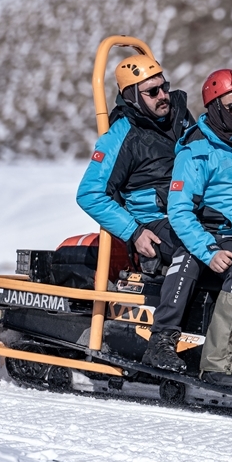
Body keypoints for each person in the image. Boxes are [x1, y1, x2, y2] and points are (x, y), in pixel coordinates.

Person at [76, 53, 196, 373]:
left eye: (164, 87)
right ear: (132, 96)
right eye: (153, 92)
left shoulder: (181, 118)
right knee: (196, 246)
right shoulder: (121, 136)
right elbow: (89, 194)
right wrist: (134, 231)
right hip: (156, 222)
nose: (163, 96)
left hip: (195, 210)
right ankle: (162, 342)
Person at [167, 69, 232, 388]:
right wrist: (208, 250)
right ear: (216, 108)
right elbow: (178, 210)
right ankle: (216, 363)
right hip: (221, 232)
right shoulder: (196, 150)